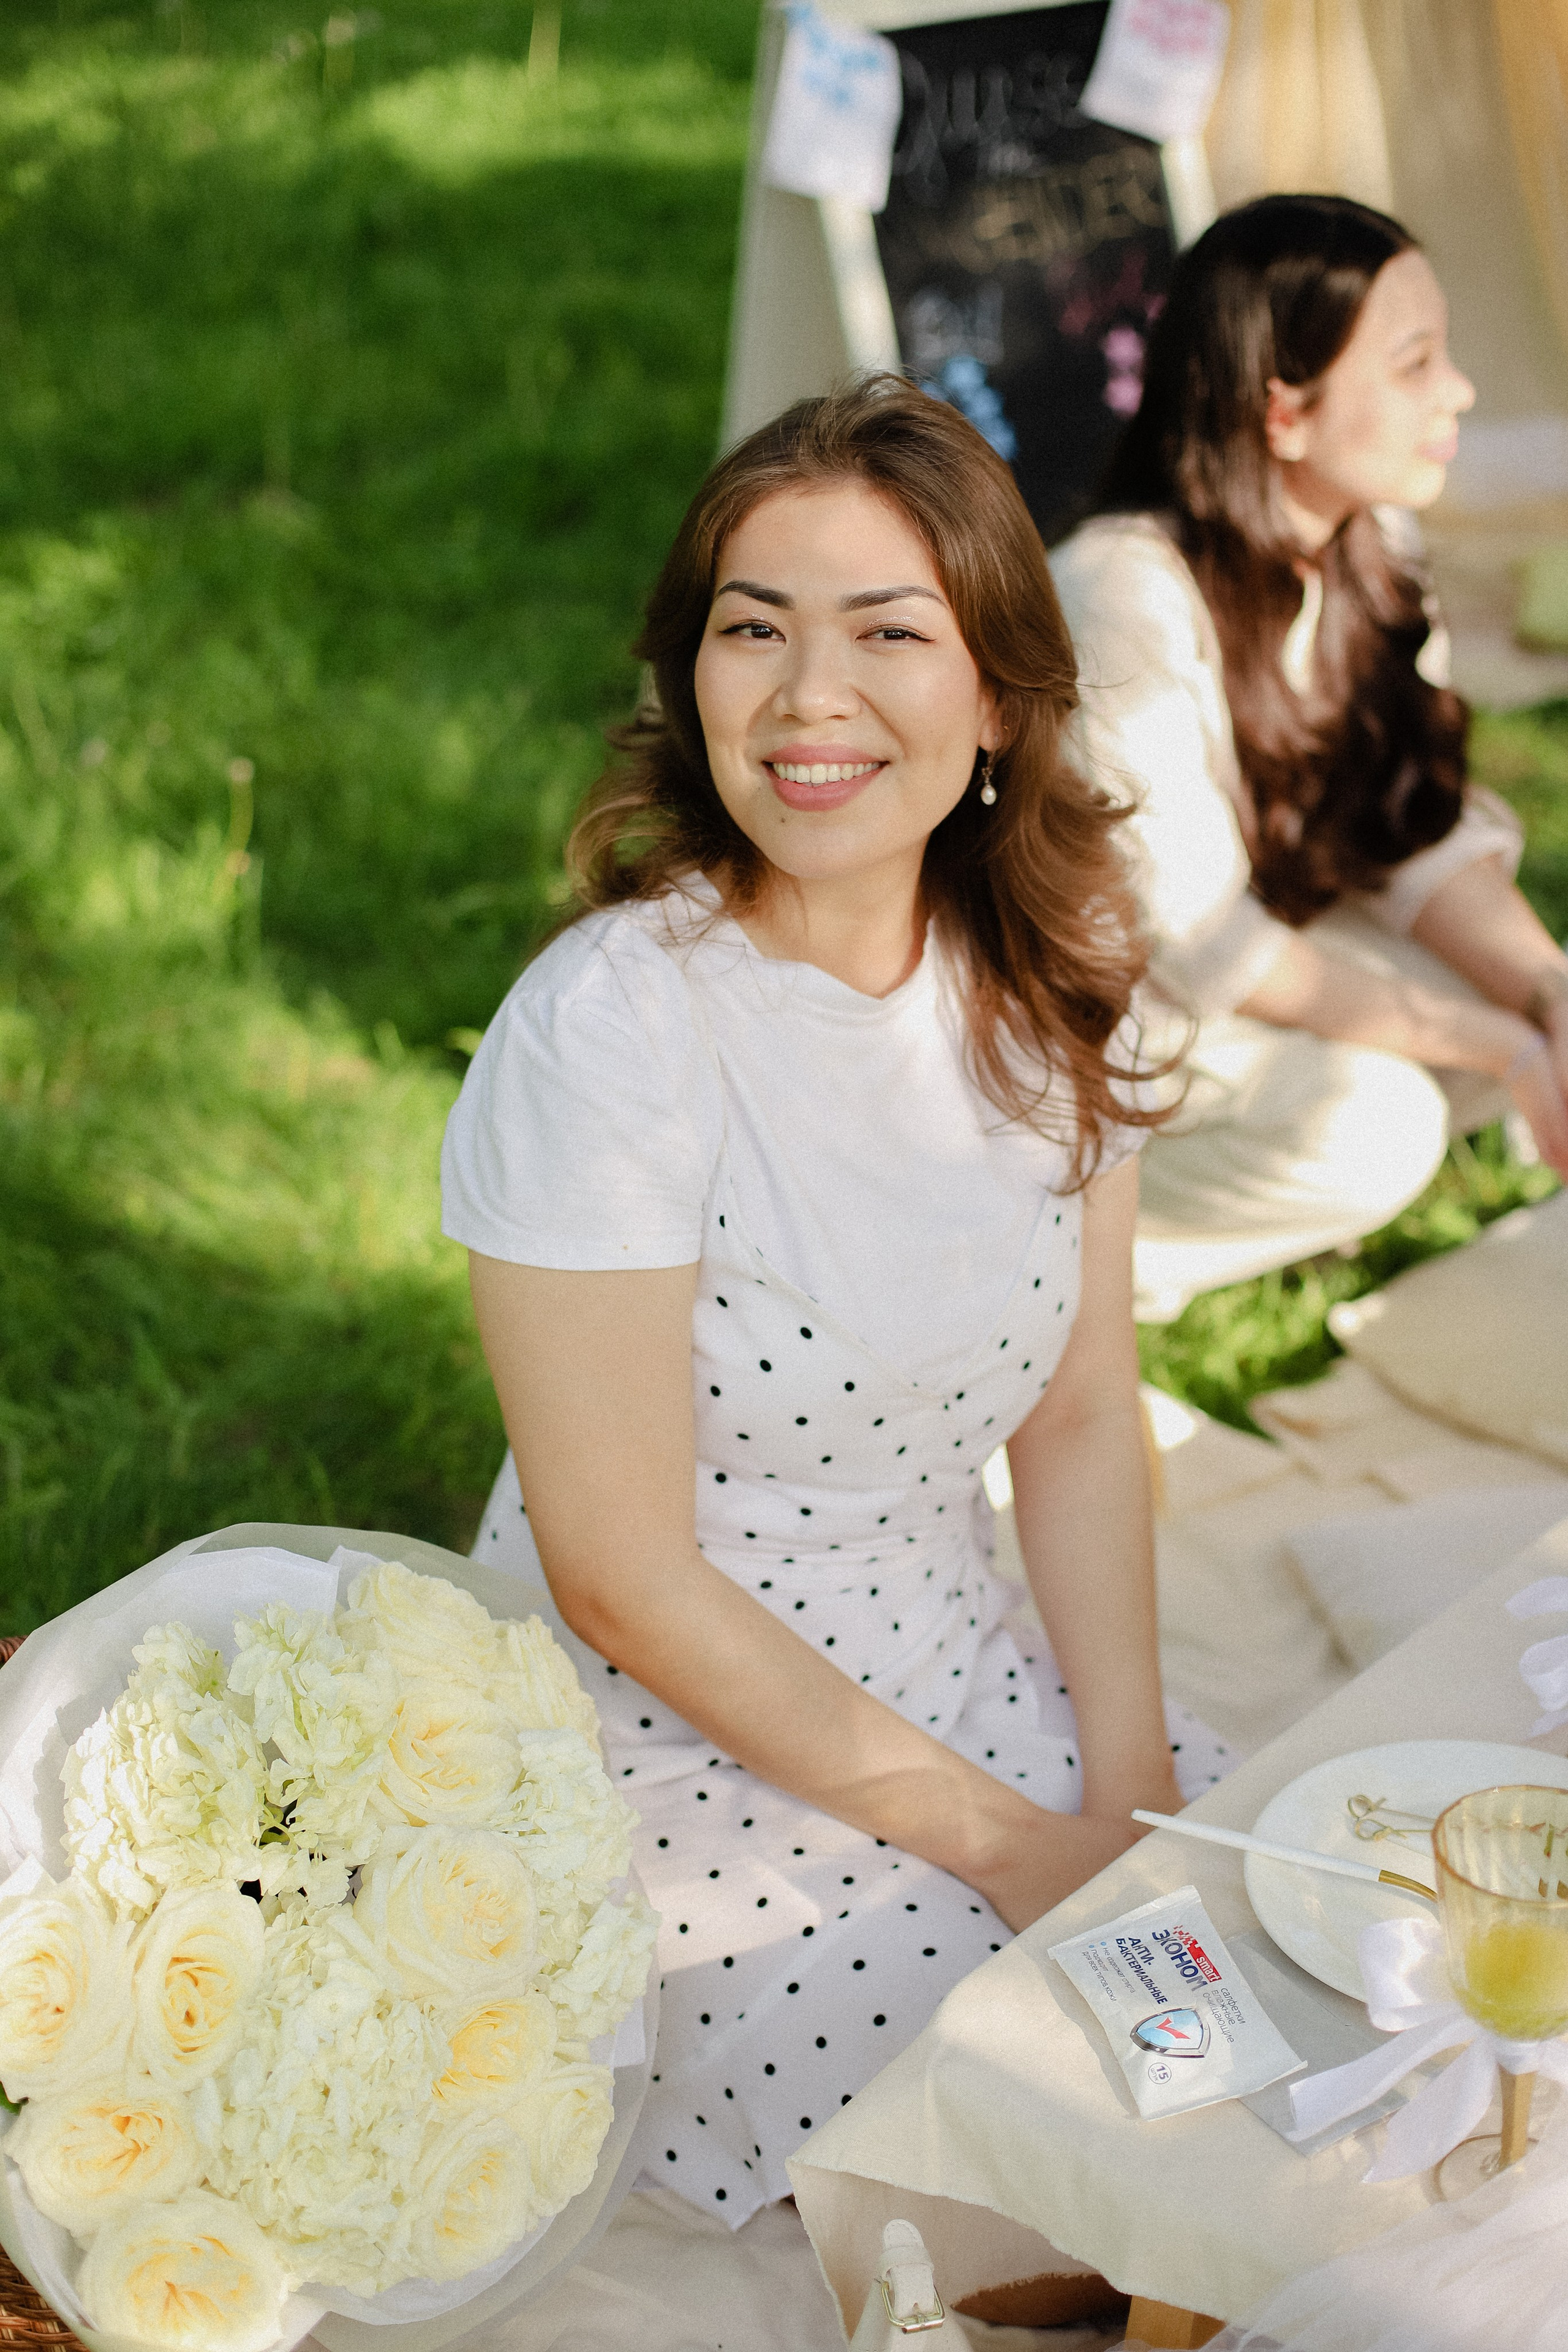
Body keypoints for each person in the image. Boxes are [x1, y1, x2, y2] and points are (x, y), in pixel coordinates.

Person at [440, 378, 1230, 2224]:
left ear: (1000, 701)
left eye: (889, 631)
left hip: (948, 1641)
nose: (809, 699)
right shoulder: (614, 1033)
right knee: (1013, 2167)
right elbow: (620, 1574)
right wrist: (1003, 1844)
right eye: (753, 630)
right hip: (660, 1729)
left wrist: (1119, 1788)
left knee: (1221, 2034)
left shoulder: (1054, 977)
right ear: (687, 678)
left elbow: (1086, 1409)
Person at [1050, 194, 1568, 1322]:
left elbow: (1404, 821)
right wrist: (1505, 1043)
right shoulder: (1123, 600)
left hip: (1216, 956)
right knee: (1379, 1125)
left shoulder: (1370, 543)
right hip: (1077, 1008)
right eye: (1417, 364)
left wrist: (1546, 997)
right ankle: (1056, 1272)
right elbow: (1199, 947)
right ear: (1282, 412)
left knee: (1500, 1025)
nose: (1460, 394)